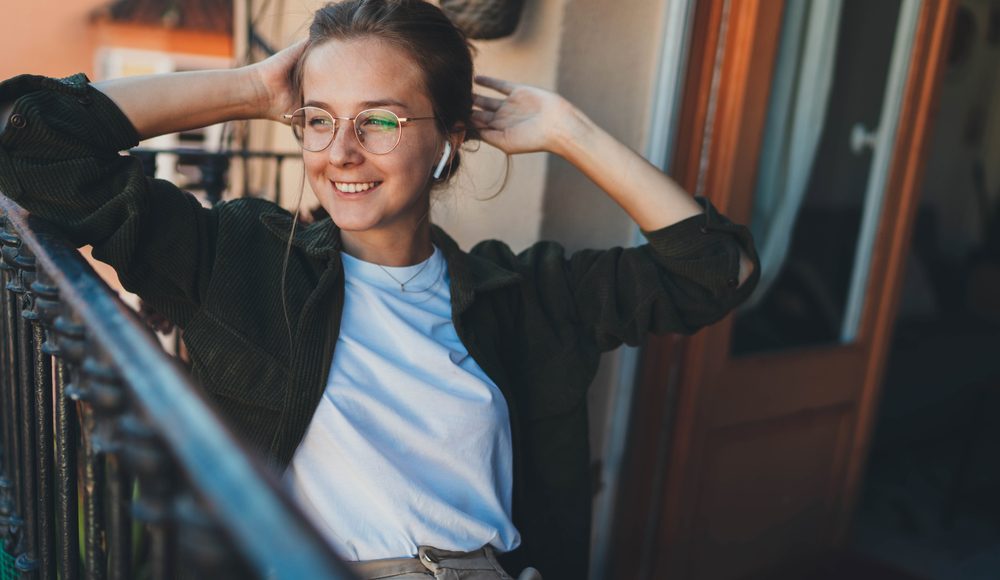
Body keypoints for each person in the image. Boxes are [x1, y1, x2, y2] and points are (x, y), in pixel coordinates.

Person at [0, 1, 759, 578]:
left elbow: (717, 272)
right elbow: (26, 139)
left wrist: (569, 132)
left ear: (449, 139)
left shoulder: (526, 296)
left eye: (381, 122)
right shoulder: (239, 258)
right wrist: (250, 87)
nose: (340, 153)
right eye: (318, 121)